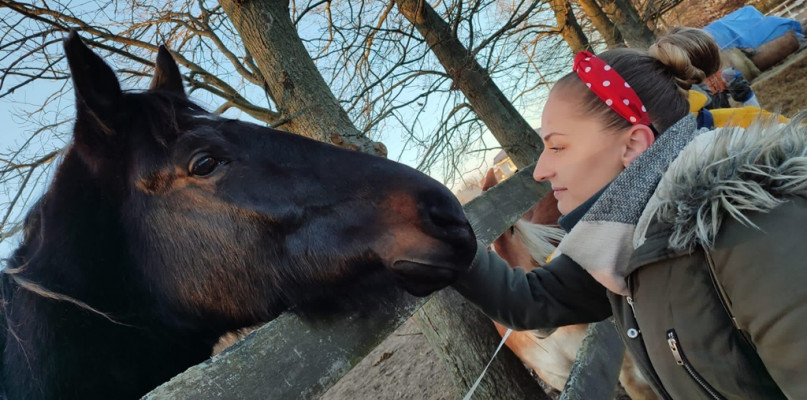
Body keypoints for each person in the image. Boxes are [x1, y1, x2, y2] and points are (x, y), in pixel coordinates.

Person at [447, 27, 806, 399]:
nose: (539, 171)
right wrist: (443, 243)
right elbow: (530, 302)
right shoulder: (623, 236)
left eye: (557, 147)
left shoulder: (755, 231)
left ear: (633, 144)